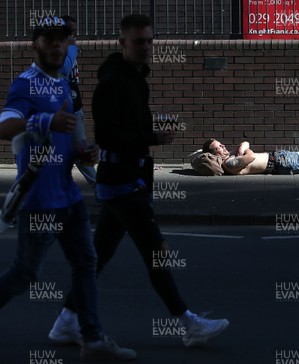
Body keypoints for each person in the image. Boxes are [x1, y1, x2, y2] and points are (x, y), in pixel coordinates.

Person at [48, 14, 229, 348]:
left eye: (149, 40)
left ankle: (66, 321)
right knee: (155, 251)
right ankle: (188, 323)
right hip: (122, 181)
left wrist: (151, 135)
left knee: (99, 255)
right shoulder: (112, 84)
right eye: (138, 41)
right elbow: (107, 135)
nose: (146, 47)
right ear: (122, 43)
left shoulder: (134, 79)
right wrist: (154, 137)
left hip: (129, 180)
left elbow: (127, 128)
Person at [0, 16, 136, 361]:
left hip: (68, 196)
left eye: (63, 40)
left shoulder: (61, 85)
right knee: (25, 272)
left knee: (86, 262)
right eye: (50, 40)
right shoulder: (25, 84)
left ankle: (91, 337)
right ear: (35, 45)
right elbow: (4, 126)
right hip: (39, 197)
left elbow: (68, 142)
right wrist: (44, 121)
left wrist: (85, 151)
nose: (58, 45)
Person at [58, 15, 97, 187]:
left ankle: (100, 189)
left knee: (81, 151)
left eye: (75, 32)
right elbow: (64, 69)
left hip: (73, 106)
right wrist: (72, 47)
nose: (74, 36)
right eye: (70, 32)